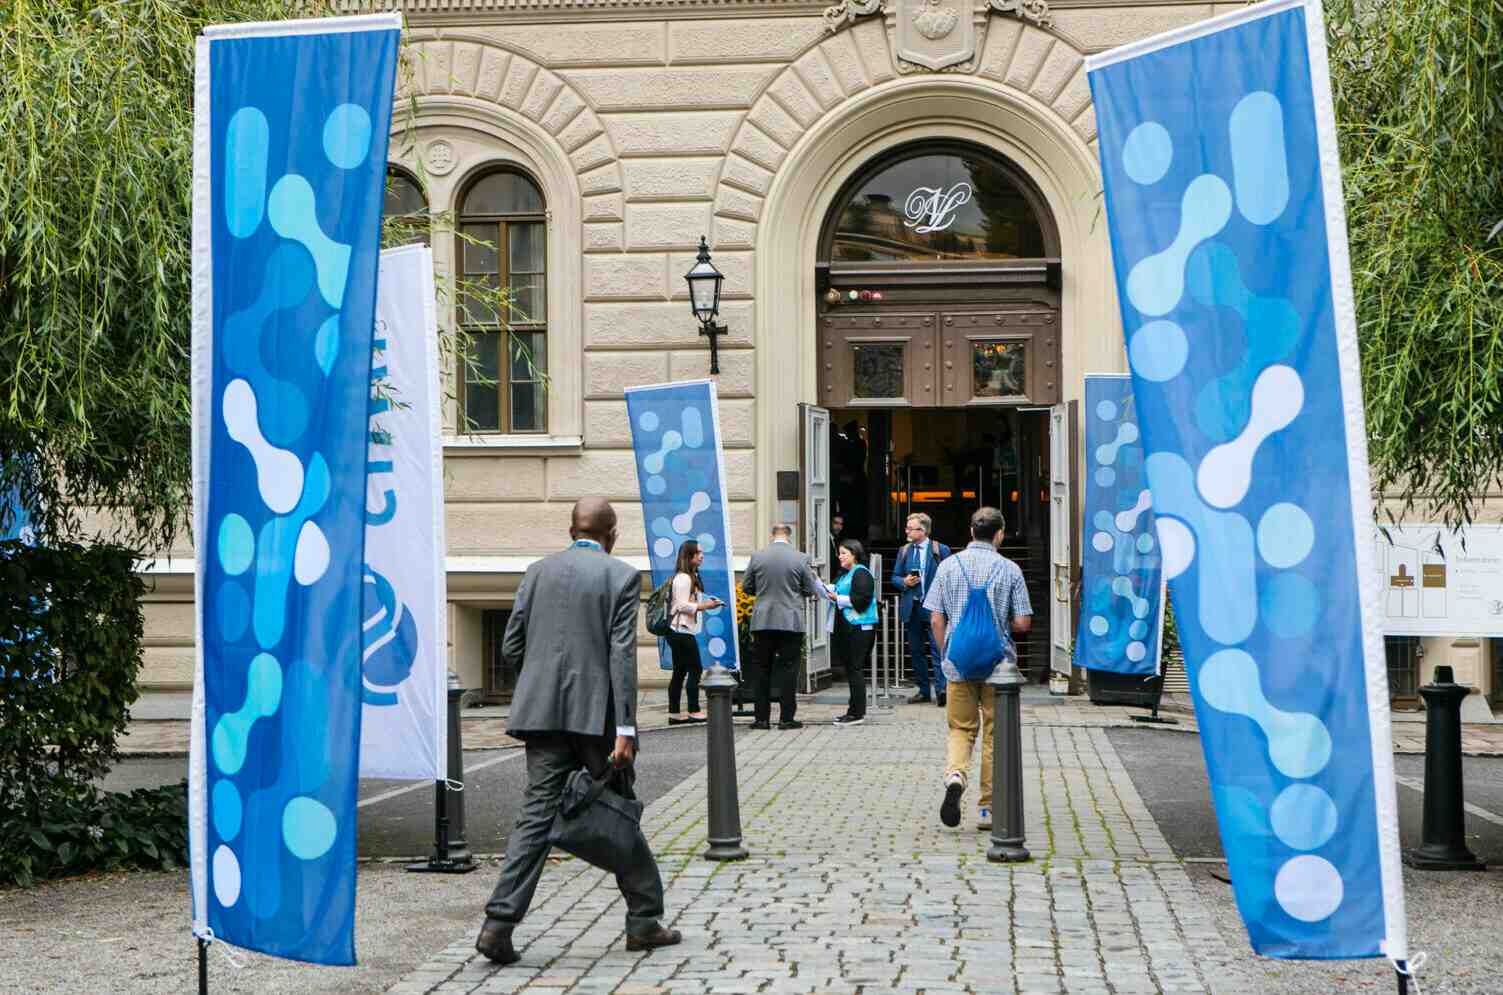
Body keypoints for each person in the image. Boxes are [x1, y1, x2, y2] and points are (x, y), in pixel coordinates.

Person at [475, 497, 681, 964]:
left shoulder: (536, 572)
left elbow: (511, 645)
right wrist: (625, 729)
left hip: (541, 716)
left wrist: (539, 686)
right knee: (618, 808)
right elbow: (621, 656)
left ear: (572, 531)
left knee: (535, 817)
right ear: (612, 535)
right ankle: (644, 918)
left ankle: (498, 925)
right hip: (597, 720)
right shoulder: (621, 576)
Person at [923, 506, 1032, 831]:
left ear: (971, 531)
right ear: (1000, 534)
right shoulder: (1010, 569)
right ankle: (987, 810)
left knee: (961, 728)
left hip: (959, 664)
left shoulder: (948, 566)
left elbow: (935, 618)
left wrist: (946, 653)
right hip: (999, 667)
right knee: (995, 736)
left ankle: (956, 775)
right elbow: (1023, 623)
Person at [739, 523, 818, 730]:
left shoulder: (757, 557)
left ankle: (761, 719)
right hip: (790, 621)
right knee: (789, 669)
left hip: (763, 620)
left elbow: (746, 586)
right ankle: (786, 718)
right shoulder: (801, 558)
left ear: (772, 535)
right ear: (789, 536)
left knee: (761, 669)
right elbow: (810, 589)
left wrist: (762, 594)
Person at [890, 512, 951, 706]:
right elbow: (894, 577)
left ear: (923, 530)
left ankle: (942, 691)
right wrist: (904, 581)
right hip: (912, 607)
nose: (906, 531)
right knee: (916, 651)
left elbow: (950, 576)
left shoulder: (940, 550)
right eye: (907, 527)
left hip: (934, 608)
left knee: (938, 649)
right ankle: (923, 690)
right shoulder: (904, 551)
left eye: (910, 528)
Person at [667, 539, 721, 725]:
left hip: (678, 630)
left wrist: (704, 602)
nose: (702, 556)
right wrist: (705, 606)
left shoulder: (688, 576)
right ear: (689, 556)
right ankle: (694, 710)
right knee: (695, 669)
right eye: (698, 553)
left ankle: (674, 713)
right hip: (681, 630)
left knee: (680, 671)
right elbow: (681, 605)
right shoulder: (684, 578)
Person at [824, 538, 877, 726]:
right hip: (848, 627)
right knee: (852, 669)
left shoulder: (861, 573)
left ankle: (857, 713)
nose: (840, 557)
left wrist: (837, 597)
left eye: (843, 553)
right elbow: (837, 589)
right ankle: (852, 710)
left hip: (860, 627)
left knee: (855, 669)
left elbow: (861, 600)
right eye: (839, 553)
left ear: (854, 554)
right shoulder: (844, 573)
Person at [829, 514, 847, 579]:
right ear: (830, 523)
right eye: (836, 523)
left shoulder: (837, 539)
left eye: (841, 524)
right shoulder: (824, 541)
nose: (839, 527)